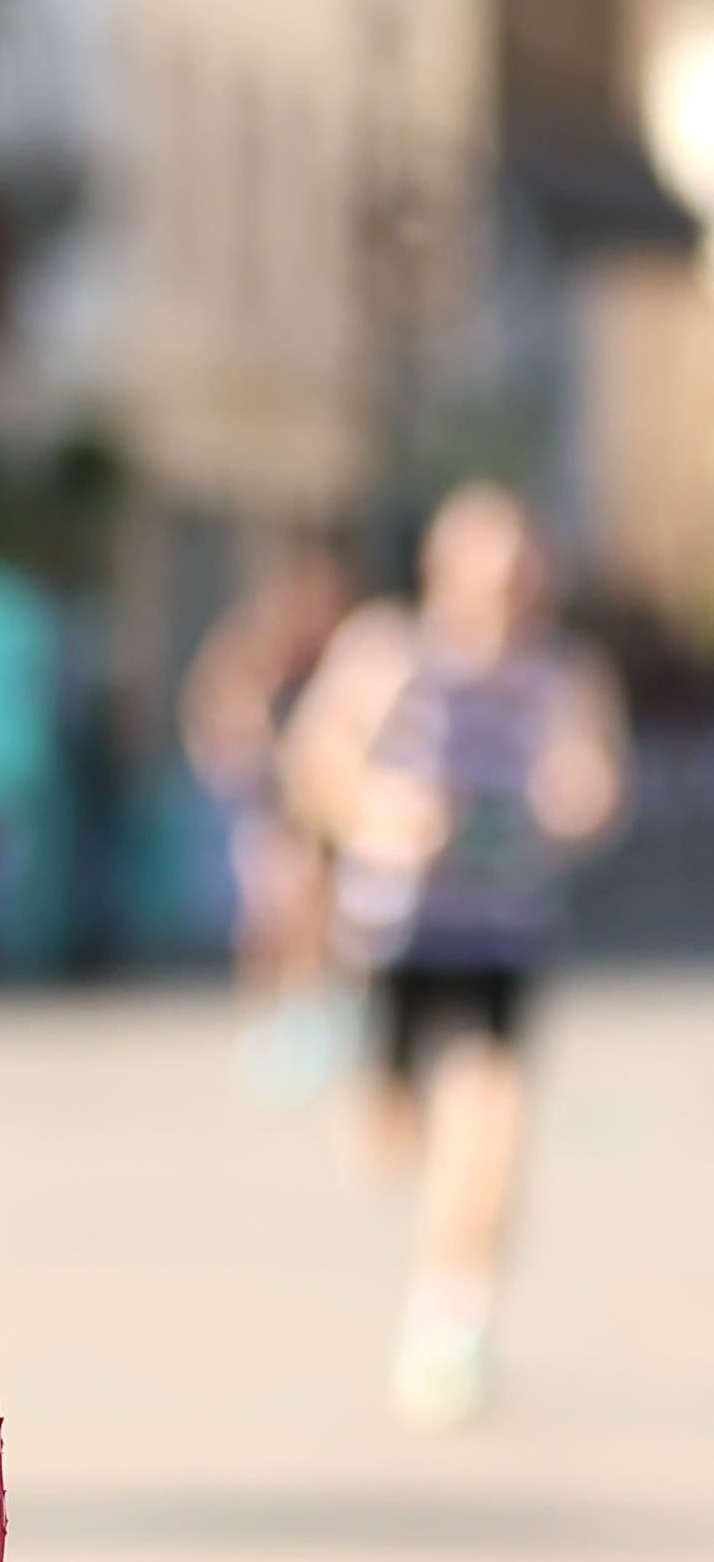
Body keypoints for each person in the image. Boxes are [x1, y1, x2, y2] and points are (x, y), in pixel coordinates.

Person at [280, 483, 628, 1427]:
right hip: (399, 935)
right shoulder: (389, 651)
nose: (507, 590)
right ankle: (405, 1146)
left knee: (492, 1118)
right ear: (443, 570)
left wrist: (580, 796)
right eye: (488, 569)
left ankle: (450, 1318)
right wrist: (378, 809)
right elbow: (314, 762)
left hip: (504, 934)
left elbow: (597, 773)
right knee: (393, 1143)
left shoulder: (564, 671)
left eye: (522, 571)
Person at [179, 544, 353, 1096]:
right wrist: (240, 765)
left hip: (317, 807)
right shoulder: (251, 652)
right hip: (265, 804)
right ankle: (268, 1021)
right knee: (269, 917)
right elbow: (215, 720)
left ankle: (311, 1015)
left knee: (317, 910)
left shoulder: (337, 656)